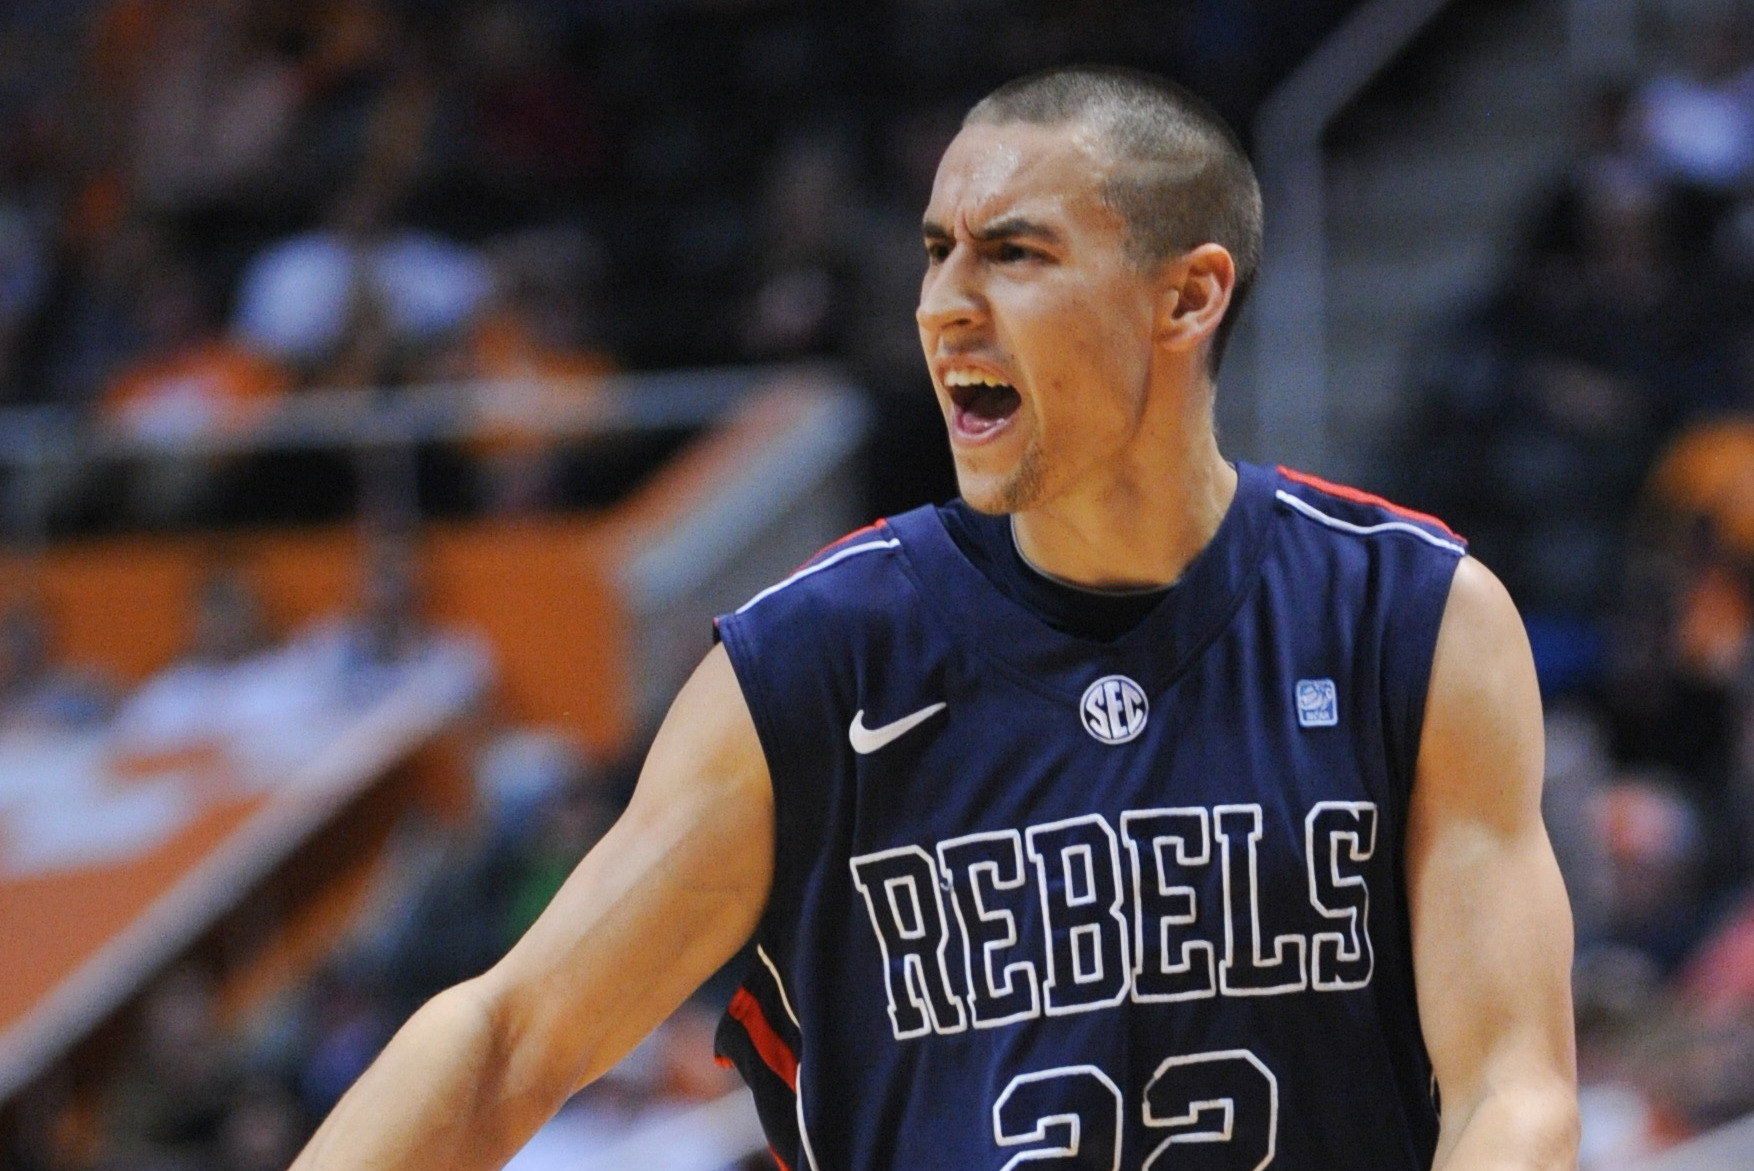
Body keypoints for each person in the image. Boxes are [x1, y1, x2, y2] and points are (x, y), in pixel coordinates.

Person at [289, 66, 1578, 1170]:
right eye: (935, 251)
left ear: (1187, 299)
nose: (944, 302)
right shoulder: (817, 659)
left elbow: (1513, 1090)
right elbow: (514, 1033)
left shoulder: (1407, 618)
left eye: (1013, 253)